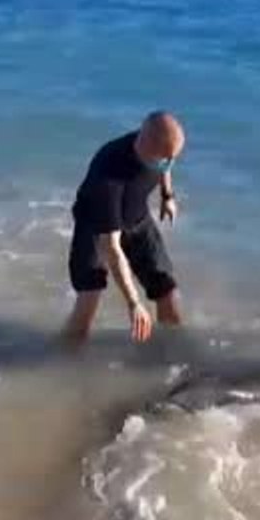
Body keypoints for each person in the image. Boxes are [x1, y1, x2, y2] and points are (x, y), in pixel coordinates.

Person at [62, 111, 185, 346]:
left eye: (173, 158)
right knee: (90, 296)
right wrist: (134, 303)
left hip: (137, 219)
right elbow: (111, 248)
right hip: (96, 228)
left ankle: (171, 358)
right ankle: (64, 360)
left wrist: (167, 195)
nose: (169, 164)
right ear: (147, 144)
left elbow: (165, 165)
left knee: (166, 288)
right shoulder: (108, 174)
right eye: (166, 158)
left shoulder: (157, 151)